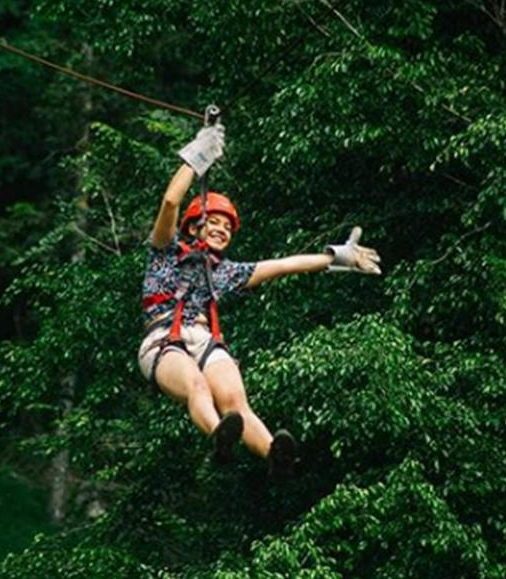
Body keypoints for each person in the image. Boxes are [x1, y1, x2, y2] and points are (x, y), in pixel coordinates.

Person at [137, 123, 381, 478]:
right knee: (196, 385)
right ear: (193, 227)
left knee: (236, 403)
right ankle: (218, 436)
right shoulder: (164, 252)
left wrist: (337, 258)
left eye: (227, 228)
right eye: (214, 223)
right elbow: (171, 201)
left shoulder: (226, 272)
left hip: (204, 339)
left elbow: (282, 266)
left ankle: (275, 456)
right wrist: (197, 155)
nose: (222, 230)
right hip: (162, 343)